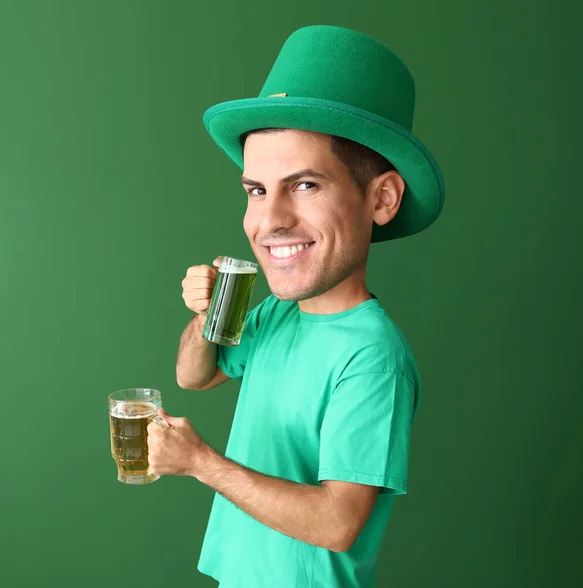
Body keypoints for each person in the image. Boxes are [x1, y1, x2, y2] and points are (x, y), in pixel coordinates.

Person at [147, 24, 444, 588]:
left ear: (381, 198)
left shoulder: (373, 358)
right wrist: (208, 311)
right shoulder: (280, 314)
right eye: (256, 190)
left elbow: (337, 523)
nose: (269, 220)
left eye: (305, 184)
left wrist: (200, 463)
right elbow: (195, 376)